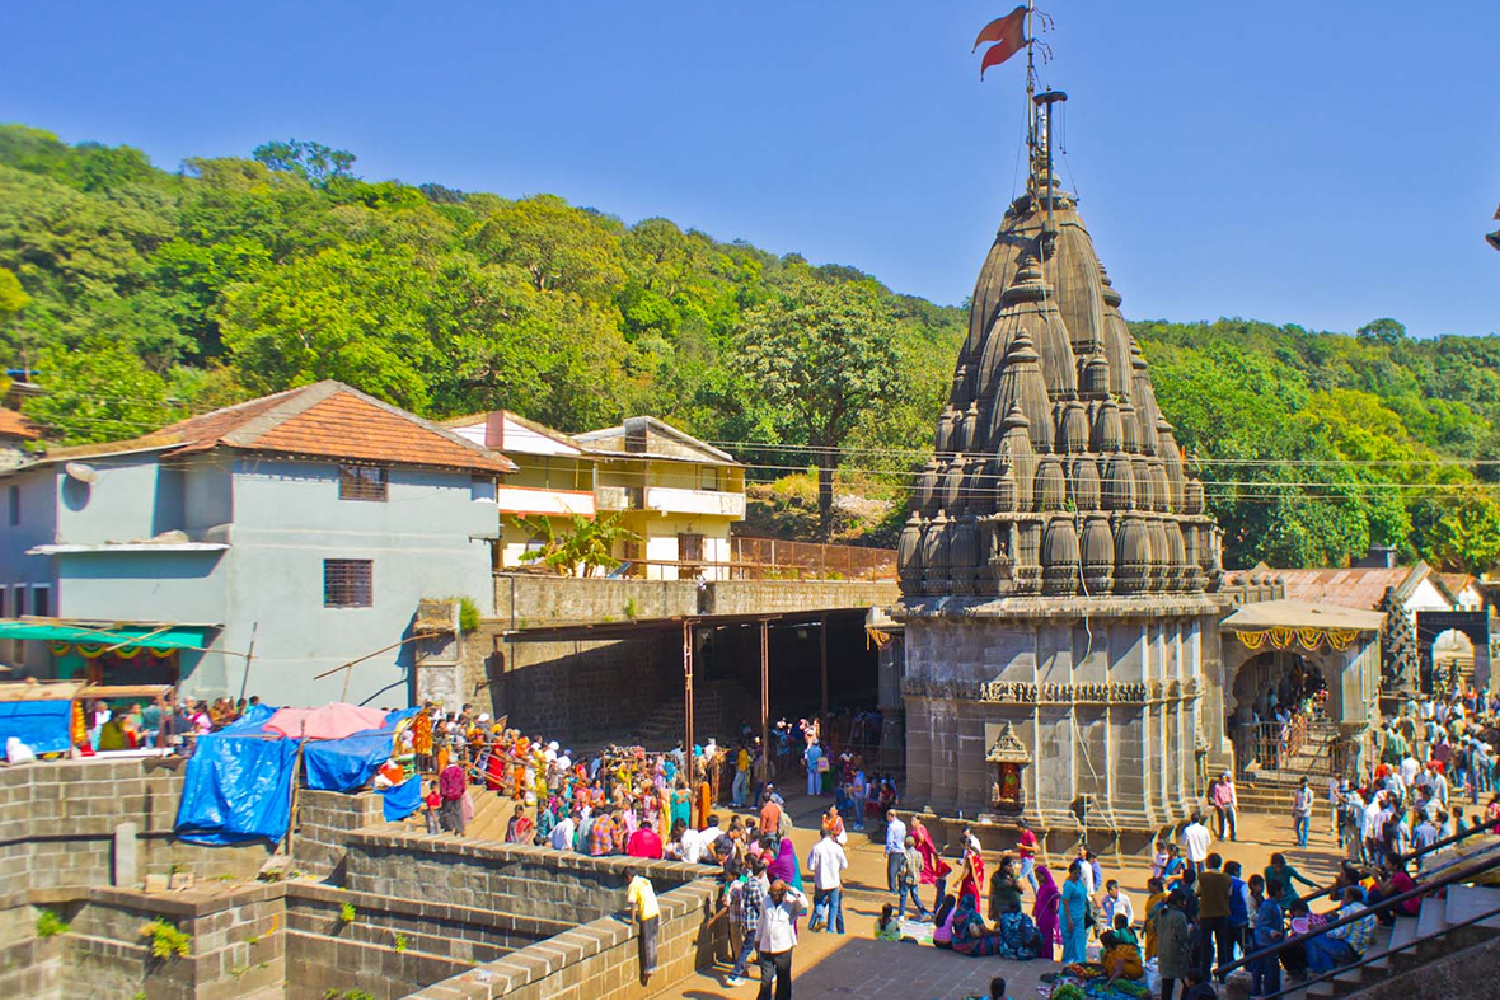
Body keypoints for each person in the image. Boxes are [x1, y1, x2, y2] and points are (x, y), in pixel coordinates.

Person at [756, 878, 806, 1000]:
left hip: (783, 948)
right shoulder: (765, 901)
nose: (775, 896)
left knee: (783, 981)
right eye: (774, 892)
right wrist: (757, 939)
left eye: (778, 893)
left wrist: (792, 889)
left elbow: (804, 904)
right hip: (766, 947)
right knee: (766, 981)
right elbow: (761, 922)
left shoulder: (791, 902)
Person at [1306, 887, 1376, 974]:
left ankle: (1320, 970)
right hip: (1360, 950)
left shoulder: (1348, 910)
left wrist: (1322, 930)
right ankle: (1326, 970)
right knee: (1321, 946)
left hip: (1349, 949)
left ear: (1350, 897)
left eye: (1345, 896)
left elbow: (1342, 933)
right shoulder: (1369, 911)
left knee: (1312, 938)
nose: (1343, 898)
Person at [724, 854, 768, 986]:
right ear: (760, 873)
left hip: (749, 921)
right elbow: (760, 905)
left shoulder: (748, 883)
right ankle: (734, 974)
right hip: (755, 922)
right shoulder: (754, 885)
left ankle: (768, 973)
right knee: (750, 948)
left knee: (756, 948)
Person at [1195, 853, 1234, 979]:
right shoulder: (1227, 878)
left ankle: (1205, 975)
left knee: (1205, 945)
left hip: (1206, 914)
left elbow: (1197, 892)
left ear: (1208, 863)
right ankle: (1222, 974)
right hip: (1222, 914)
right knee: (1222, 945)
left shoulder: (1202, 877)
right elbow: (1229, 894)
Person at [806, 827, 848, 934]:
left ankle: (821, 918)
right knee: (834, 905)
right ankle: (831, 929)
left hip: (821, 880)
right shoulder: (836, 847)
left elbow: (810, 866)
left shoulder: (816, 848)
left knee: (819, 901)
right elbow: (844, 864)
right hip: (834, 880)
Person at [1247, 874, 1283, 999]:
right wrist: (1271, 932)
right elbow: (1261, 924)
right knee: (1270, 971)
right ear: (1277, 892)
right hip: (1266, 943)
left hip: (1268, 943)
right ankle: (1270, 995)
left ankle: (1271, 994)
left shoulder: (1271, 904)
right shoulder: (1268, 906)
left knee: (1269, 970)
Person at [1156, 890, 1193, 1000]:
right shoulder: (1180, 916)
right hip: (1177, 953)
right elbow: (1182, 937)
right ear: (1178, 902)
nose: (1184, 904)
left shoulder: (1161, 912)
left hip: (1163, 951)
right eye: (1183, 902)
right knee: (1186, 980)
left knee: (1167, 982)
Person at [626, 874, 660, 978]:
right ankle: (653, 965)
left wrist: (632, 920)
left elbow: (633, 904)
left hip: (647, 914)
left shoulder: (633, 885)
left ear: (628, 877)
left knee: (648, 942)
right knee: (653, 941)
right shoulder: (645, 881)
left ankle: (648, 969)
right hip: (655, 911)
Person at [1060, 860, 1090, 965]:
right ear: (1070, 873)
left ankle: (1080, 961)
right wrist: (1069, 920)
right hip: (1070, 915)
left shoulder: (1080, 883)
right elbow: (1066, 902)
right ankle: (1069, 962)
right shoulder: (1068, 885)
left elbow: (1084, 895)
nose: (1076, 875)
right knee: (1070, 940)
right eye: (1075, 873)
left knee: (1079, 939)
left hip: (1079, 916)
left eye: (1078, 873)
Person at [1100, 913, 1144, 982]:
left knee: (1105, 953)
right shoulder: (1130, 931)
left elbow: (1107, 938)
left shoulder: (1120, 933)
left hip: (1129, 959)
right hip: (1135, 954)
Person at [897, 835, 929, 921]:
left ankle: (901, 915)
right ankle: (923, 911)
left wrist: (900, 877)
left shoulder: (905, 855)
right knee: (915, 896)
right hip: (916, 878)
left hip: (906, 878)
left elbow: (903, 869)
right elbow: (921, 867)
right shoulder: (919, 854)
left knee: (903, 895)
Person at [1033, 865, 1061, 961]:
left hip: (1047, 917)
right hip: (1040, 917)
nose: (1038, 879)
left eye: (1039, 876)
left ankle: (1047, 956)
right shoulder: (1042, 887)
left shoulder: (1051, 887)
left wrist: (1053, 910)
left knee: (1047, 937)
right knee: (1040, 936)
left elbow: (1056, 902)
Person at [990, 855, 1024, 921]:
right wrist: (991, 910)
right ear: (1004, 866)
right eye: (1009, 866)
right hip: (1001, 907)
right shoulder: (997, 876)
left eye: (1012, 865)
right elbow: (992, 893)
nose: (1011, 868)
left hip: (1015, 907)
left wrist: (1014, 883)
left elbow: (1023, 887)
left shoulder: (1015, 875)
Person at [438, 758, 467, 836]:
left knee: (448, 811)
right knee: (457, 812)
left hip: (448, 794)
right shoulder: (460, 771)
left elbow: (443, 785)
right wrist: (462, 791)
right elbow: (462, 783)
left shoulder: (445, 772)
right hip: (457, 793)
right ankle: (460, 829)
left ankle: (450, 827)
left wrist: (442, 794)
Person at [884, 809, 907, 895]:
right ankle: (902, 888)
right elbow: (904, 835)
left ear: (890, 816)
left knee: (892, 871)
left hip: (894, 850)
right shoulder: (902, 824)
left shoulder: (891, 826)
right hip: (902, 849)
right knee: (901, 870)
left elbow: (889, 840)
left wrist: (887, 850)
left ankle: (893, 889)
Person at [1015, 818, 1040, 893]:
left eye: (1018, 827)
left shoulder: (1030, 835)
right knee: (1031, 879)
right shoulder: (1023, 835)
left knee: (1020, 876)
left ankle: (1019, 892)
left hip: (1028, 859)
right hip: (1024, 858)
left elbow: (1034, 848)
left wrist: (1022, 847)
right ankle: (1038, 894)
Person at [1212, 773, 1238, 841]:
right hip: (1222, 805)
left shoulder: (1228, 785)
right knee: (1222, 820)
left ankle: (1233, 835)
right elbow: (1216, 796)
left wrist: (1233, 803)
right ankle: (1221, 835)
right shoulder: (1217, 786)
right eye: (1222, 779)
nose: (1223, 780)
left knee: (1231, 820)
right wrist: (1219, 805)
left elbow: (1231, 794)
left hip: (1228, 804)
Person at [1292, 777, 1314, 848]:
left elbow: (1310, 802)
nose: (1305, 784)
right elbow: (1295, 801)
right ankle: (1300, 840)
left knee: (1305, 828)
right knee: (1296, 827)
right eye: (1304, 782)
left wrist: (1306, 807)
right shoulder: (1297, 791)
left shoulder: (1309, 791)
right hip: (1298, 810)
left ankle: (1304, 842)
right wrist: (1294, 810)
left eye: (1306, 782)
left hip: (1306, 811)